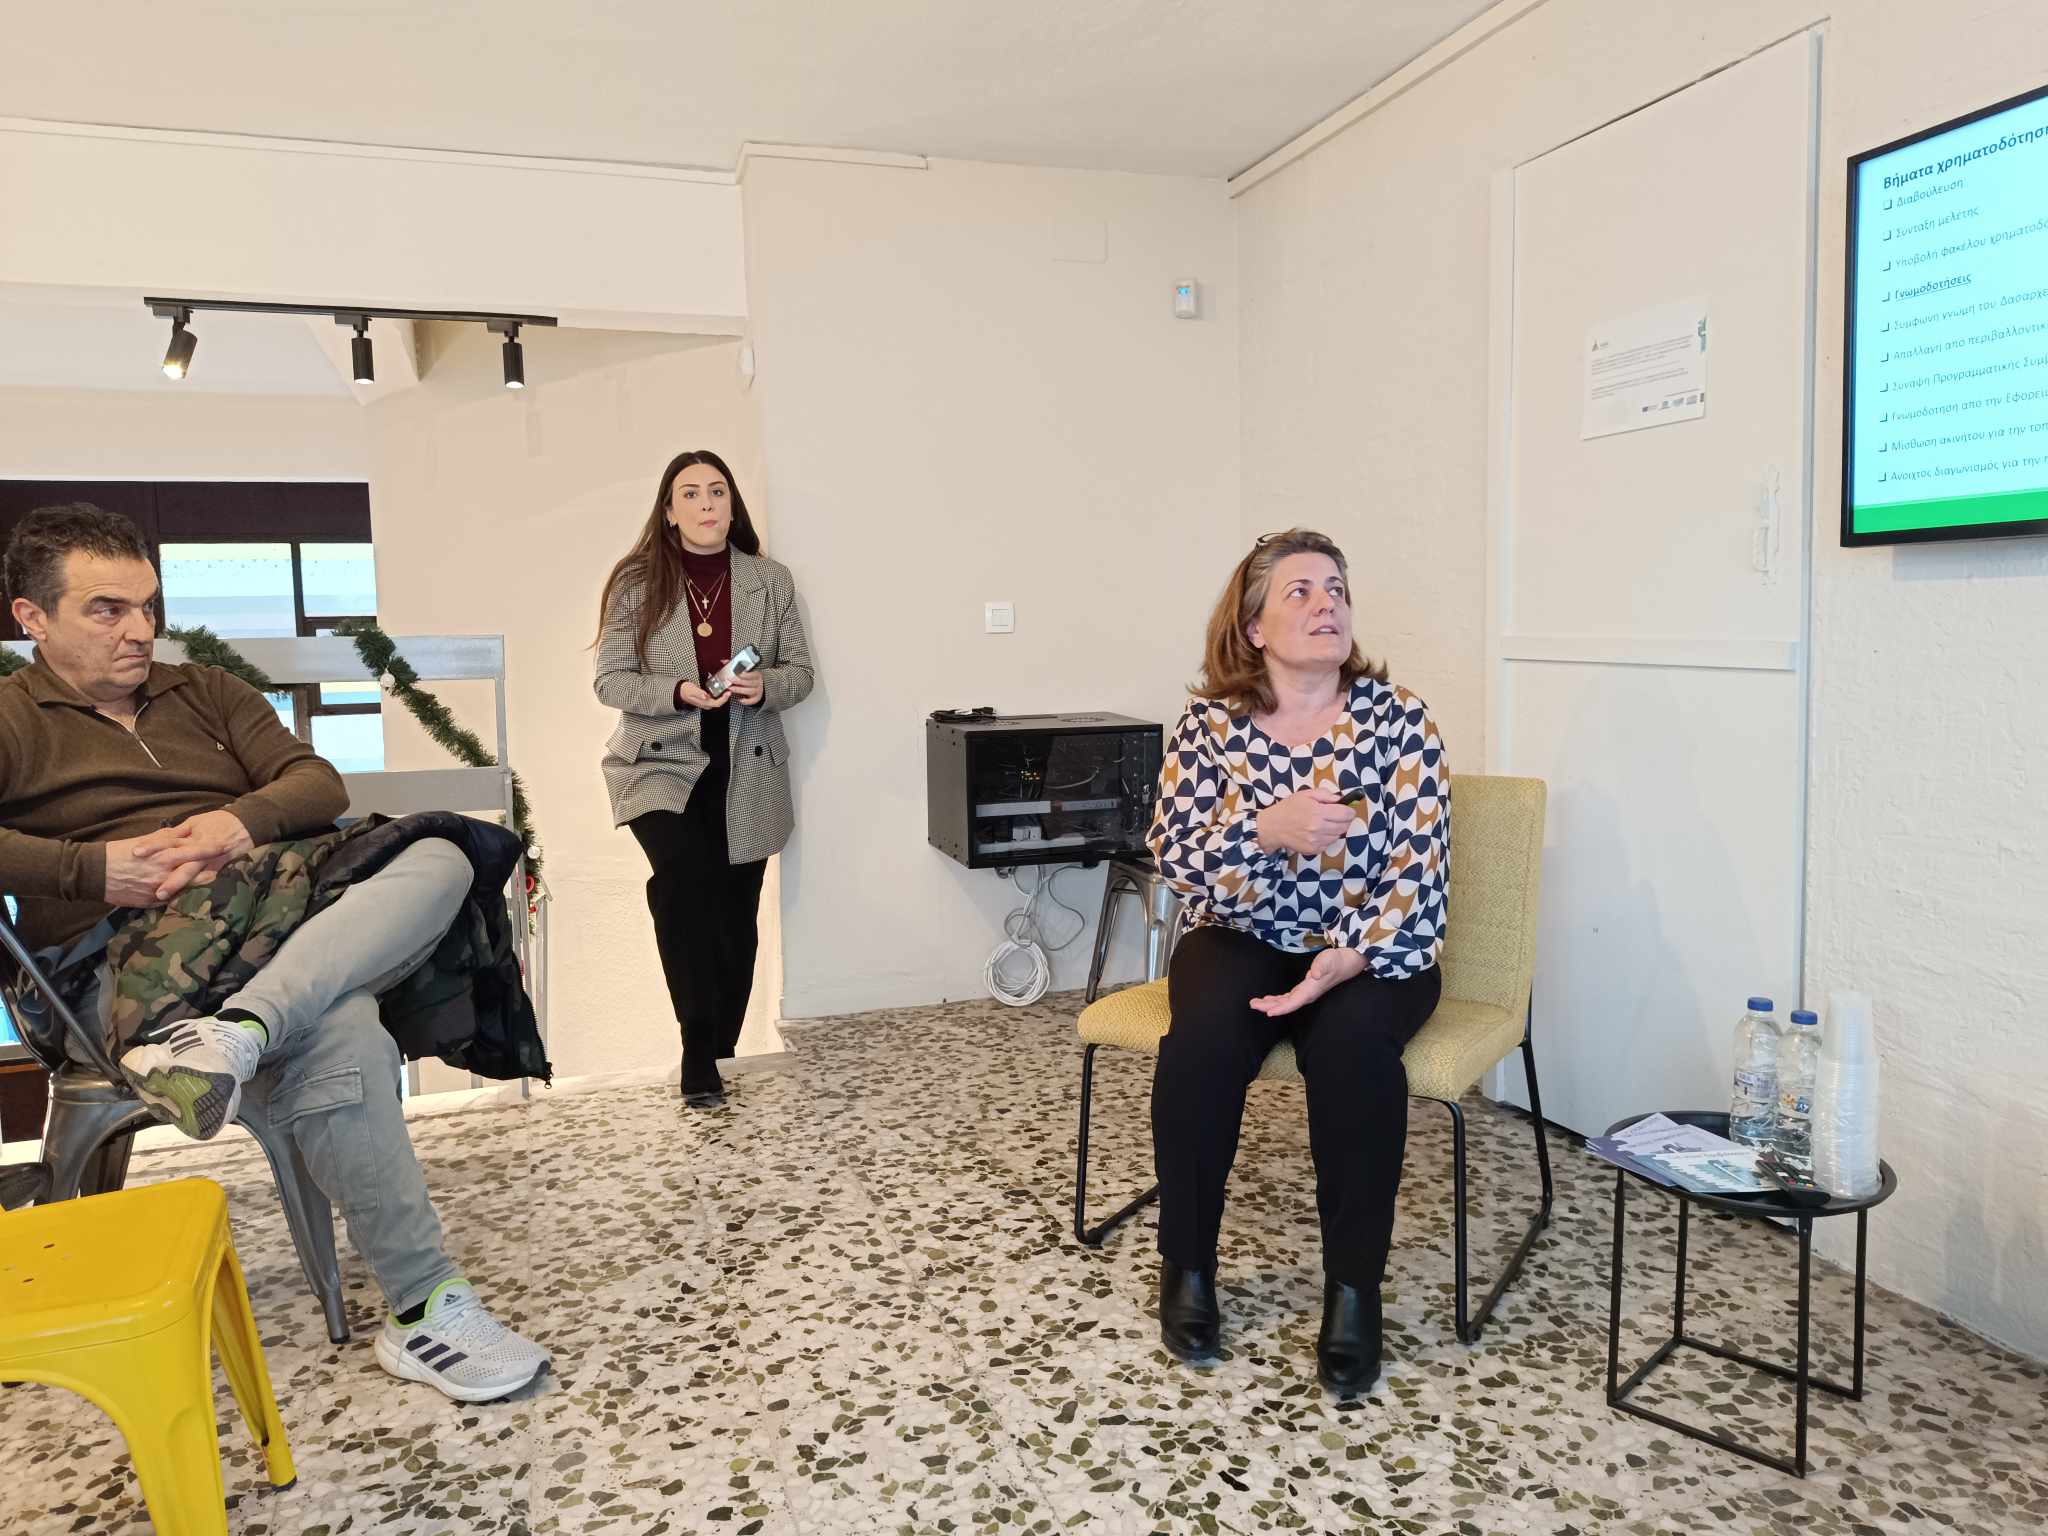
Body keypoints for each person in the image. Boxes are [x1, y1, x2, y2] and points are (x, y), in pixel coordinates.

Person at [0, 504, 551, 1404]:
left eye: (148, 606)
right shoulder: (12, 718)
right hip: (116, 968)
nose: (139, 630)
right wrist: (91, 869)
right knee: (342, 1023)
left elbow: (314, 782)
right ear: (34, 618)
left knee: (448, 854)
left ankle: (242, 1033)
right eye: (107, 609)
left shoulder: (206, 691)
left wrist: (232, 824)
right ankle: (425, 1306)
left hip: (264, 927)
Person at [1146, 527, 1449, 1397]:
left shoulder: (1400, 721)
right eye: (1302, 592)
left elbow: (1421, 868)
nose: (1327, 606)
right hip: (1241, 934)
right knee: (1200, 1046)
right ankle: (1187, 1266)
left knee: (1354, 1056)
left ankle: (1354, 1291)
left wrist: (1346, 959)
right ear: (1254, 627)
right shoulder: (1210, 727)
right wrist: (1263, 831)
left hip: (1371, 945)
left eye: (1337, 590)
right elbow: (1175, 856)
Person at [594, 450, 813, 1109]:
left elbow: (801, 673)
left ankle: (720, 1049)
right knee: (682, 885)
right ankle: (697, 1047)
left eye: (717, 491)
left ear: (731, 504)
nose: (706, 503)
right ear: (669, 510)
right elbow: (610, 680)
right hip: (660, 764)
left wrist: (764, 685)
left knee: (735, 915)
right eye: (689, 493)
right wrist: (678, 690)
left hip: (749, 766)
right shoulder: (637, 583)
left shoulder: (769, 581)